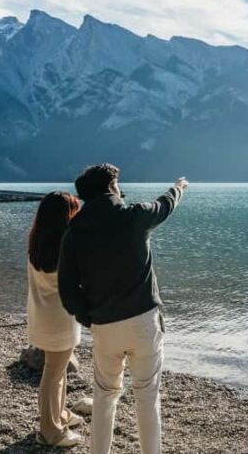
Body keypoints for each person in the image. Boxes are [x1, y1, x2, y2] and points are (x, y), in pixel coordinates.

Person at [58, 163, 188, 454]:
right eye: (118, 184)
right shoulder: (134, 216)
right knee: (147, 396)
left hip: (105, 326)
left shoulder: (74, 233)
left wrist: (88, 318)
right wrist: (179, 188)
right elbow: (165, 206)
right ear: (111, 187)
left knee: (104, 396)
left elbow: (67, 290)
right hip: (144, 322)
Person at [27, 192, 85, 448]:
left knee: (56, 371)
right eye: (74, 211)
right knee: (53, 373)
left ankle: (60, 415)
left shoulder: (36, 244)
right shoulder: (68, 247)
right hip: (61, 319)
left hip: (41, 315)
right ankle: (49, 430)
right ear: (66, 217)